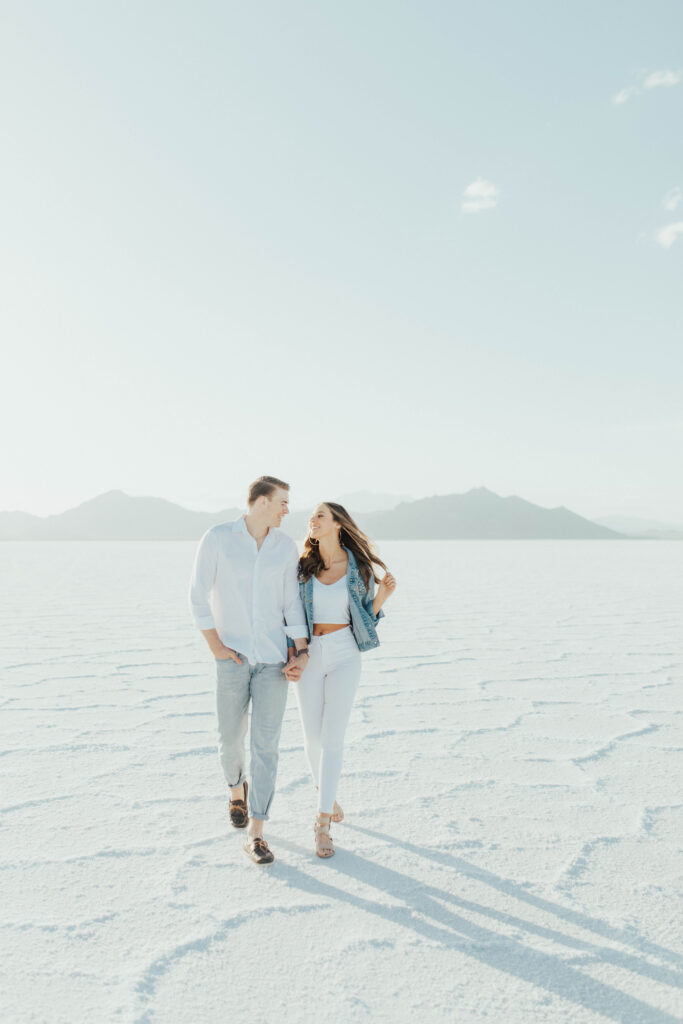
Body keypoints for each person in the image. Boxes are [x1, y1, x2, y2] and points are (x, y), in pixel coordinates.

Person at [189, 476, 310, 865]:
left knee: (266, 747)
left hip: (274, 660)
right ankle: (234, 789)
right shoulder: (219, 538)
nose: (287, 510)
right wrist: (216, 647)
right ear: (261, 502)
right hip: (233, 659)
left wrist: (300, 651)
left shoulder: (284, 547)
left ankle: (257, 831)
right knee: (229, 739)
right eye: (283, 502)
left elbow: (291, 603)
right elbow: (197, 595)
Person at [291, 502, 396, 858]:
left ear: (337, 525)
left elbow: (365, 618)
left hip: (345, 651)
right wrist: (294, 652)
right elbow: (289, 613)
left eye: (321, 515)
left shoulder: (358, 569)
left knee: (333, 737)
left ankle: (322, 822)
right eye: (312, 517)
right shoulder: (303, 567)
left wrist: (381, 598)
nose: (313, 520)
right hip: (309, 651)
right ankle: (327, 792)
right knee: (312, 736)